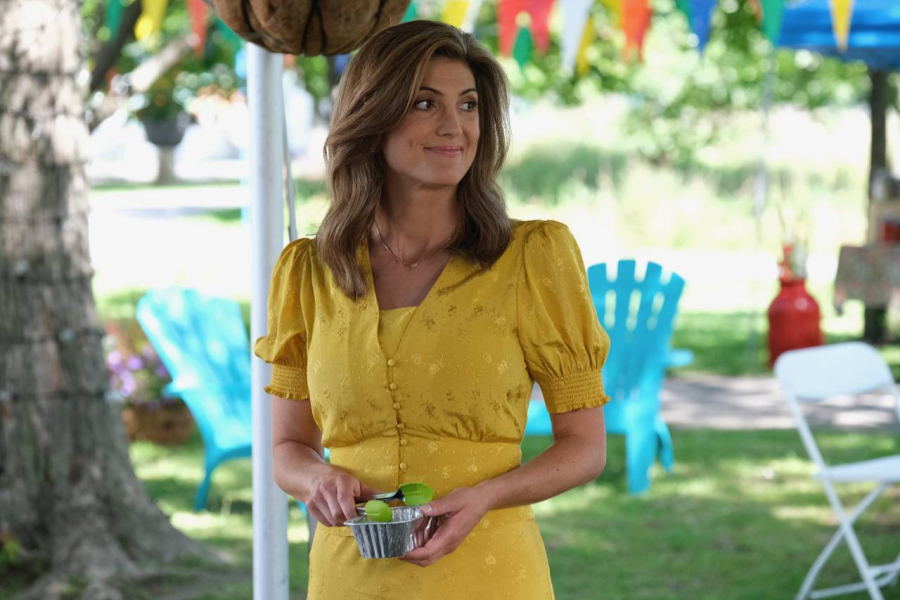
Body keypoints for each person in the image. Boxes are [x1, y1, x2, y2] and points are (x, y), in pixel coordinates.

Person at [254, 19, 611, 600]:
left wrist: (486, 496)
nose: (454, 126)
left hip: (490, 574)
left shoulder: (533, 257)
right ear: (373, 117)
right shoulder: (309, 272)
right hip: (348, 579)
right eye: (425, 103)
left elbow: (585, 448)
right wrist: (317, 477)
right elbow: (287, 450)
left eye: (468, 105)